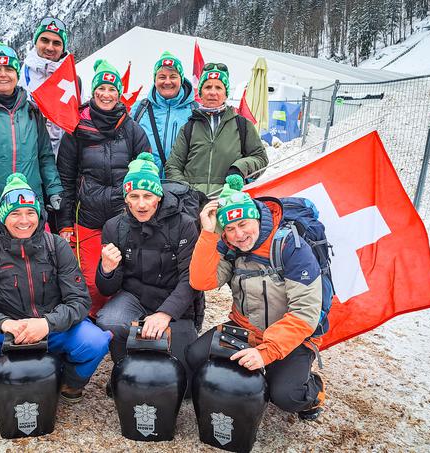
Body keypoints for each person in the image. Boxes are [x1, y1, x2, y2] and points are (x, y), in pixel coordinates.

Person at [0, 173, 111, 403]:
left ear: (39, 214)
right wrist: (3, 324)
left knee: (95, 341)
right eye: (15, 213)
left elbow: (79, 301)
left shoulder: (57, 246)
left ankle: (70, 385)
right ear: (3, 217)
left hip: (51, 328)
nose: (24, 220)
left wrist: (46, 323)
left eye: (30, 212)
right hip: (3, 333)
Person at [186, 175, 326, 420]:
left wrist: (265, 352)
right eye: (229, 228)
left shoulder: (290, 247)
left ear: (257, 218)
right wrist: (208, 234)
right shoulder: (231, 249)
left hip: (292, 337)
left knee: (286, 395)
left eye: (244, 223)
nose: (239, 234)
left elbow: (305, 313)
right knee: (195, 355)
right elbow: (201, 282)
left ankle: (313, 389)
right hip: (245, 328)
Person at [56, 59, 151, 317]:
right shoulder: (75, 130)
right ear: (93, 92)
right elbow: (65, 179)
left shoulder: (132, 130)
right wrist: (65, 223)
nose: (106, 94)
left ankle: (118, 324)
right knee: (90, 279)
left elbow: (146, 172)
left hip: (123, 218)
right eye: (101, 88)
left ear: (119, 94)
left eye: (112, 89)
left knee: (124, 273)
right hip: (87, 216)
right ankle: (92, 325)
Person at [95, 153, 203, 366]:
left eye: (148, 196)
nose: (141, 204)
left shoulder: (185, 224)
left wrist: (165, 313)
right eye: (134, 196)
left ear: (159, 196)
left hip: (175, 299)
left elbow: (190, 279)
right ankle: (123, 369)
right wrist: (106, 271)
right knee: (109, 321)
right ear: (126, 198)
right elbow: (107, 289)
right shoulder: (113, 227)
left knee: (185, 380)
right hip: (135, 297)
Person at [0, 41, 63, 248]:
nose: (3, 74)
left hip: (29, 203)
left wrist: (54, 189)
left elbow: (45, 156)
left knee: (37, 267)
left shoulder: (33, 110)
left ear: (17, 74)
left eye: (9, 69)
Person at [164, 63, 268, 196]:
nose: (212, 92)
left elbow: (260, 158)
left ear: (226, 94)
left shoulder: (243, 125)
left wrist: (239, 169)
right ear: (200, 93)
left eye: (218, 87)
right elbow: (172, 166)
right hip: (193, 203)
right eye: (207, 87)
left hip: (230, 199)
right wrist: (187, 191)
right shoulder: (189, 128)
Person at [130, 51, 197, 176]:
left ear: (181, 79)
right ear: (155, 80)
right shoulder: (139, 109)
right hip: (146, 186)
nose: (167, 82)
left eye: (173, 76)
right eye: (162, 77)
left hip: (182, 186)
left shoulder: (194, 111)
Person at [18, 16, 75, 158]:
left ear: (63, 48)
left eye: (56, 43)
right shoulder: (17, 74)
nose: (50, 47)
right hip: (26, 158)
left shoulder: (73, 80)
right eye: (45, 40)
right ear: (36, 42)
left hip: (62, 162)